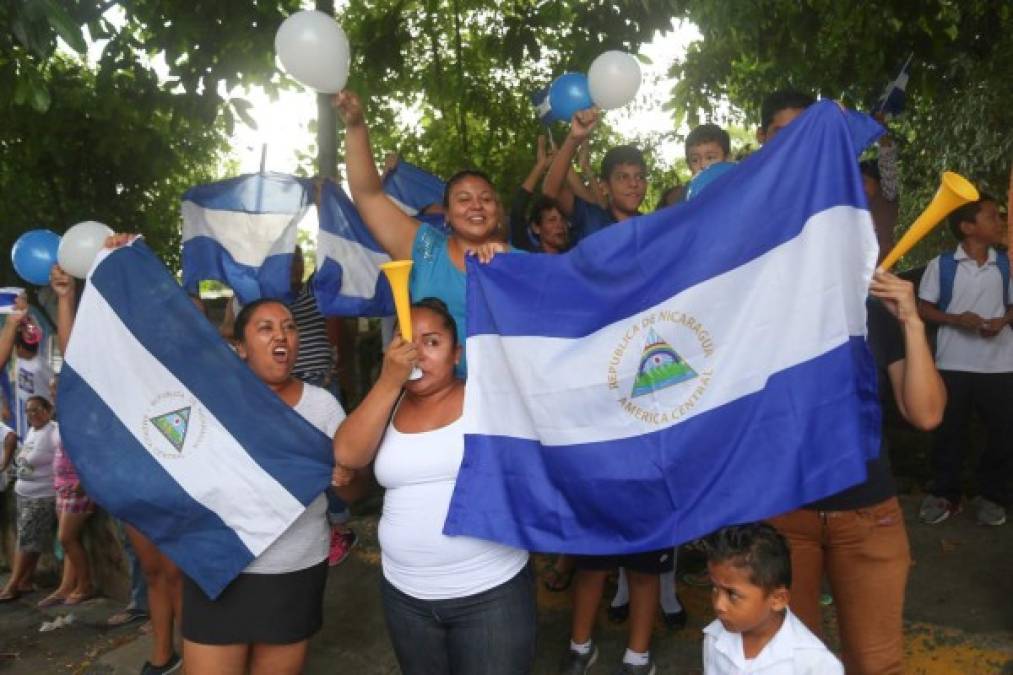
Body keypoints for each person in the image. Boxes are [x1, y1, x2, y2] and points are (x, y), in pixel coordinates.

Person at [333, 298, 534, 675]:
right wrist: (388, 382)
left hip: (490, 592)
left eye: (432, 342)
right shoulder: (387, 404)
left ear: (456, 353)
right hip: (406, 595)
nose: (417, 354)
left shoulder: (486, 398)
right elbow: (347, 453)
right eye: (406, 342)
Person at [768, 269, 945, 675]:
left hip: (870, 517)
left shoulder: (870, 312)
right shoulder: (760, 310)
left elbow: (927, 413)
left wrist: (912, 322)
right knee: (787, 664)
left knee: (876, 664)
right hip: (782, 517)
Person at [182, 298, 354, 675]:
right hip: (218, 569)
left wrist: (349, 475)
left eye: (290, 327)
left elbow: (352, 494)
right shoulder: (211, 402)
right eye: (266, 327)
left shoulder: (322, 407)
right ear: (240, 347)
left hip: (292, 572)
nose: (282, 335)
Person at [332, 90, 517, 376]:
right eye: (464, 199)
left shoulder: (522, 262)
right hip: (432, 402)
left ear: (498, 210)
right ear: (447, 213)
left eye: (486, 198)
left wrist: (513, 266)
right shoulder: (424, 247)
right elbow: (368, 195)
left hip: (503, 401)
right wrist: (356, 126)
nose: (477, 205)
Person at [916, 195, 1013, 526]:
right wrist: (957, 320)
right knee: (949, 433)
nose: (999, 221)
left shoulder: (1005, 264)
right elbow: (923, 308)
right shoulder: (942, 265)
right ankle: (945, 493)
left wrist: (1003, 321)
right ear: (968, 227)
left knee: (1002, 433)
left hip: (1000, 365)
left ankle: (992, 496)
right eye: (991, 217)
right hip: (952, 364)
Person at [702, 523, 842, 674]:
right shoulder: (715, 637)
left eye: (732, 594)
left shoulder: (815, 663)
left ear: (778, 599)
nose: (718, 605)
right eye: (715, 588)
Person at [37, 372, 97, 609]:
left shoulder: (83, 414)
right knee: (67, 541)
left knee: (66, 537)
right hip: (62, 485)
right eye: (51, 389)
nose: (52, 393)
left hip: (77, 487)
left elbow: (92, 450)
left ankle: (85, 585)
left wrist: (84, 481)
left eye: (55, 389)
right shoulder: (63, 415)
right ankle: (66, 585)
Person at [543, 109, 648, 243]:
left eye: (639, 177)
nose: (633, 184)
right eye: (623, 177)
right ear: (605, 187)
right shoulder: (591, 219)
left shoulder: (655, 227)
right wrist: (574, 138)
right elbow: (551, 191)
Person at [0, 395, 58, 602]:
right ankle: (25, 580)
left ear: (48, 410)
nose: (32, 414)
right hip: (24, 492)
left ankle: (13, 585)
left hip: (42, 495)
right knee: (29, 541)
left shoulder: (54, 432)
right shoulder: (34, 431)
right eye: (28, 411)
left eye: (36, 410)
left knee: (26, 542)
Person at [0, 293, 54, 440]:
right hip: (20, 401)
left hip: (36, 404)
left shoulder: (39, 365)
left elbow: (53, 385)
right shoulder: (19, 362)